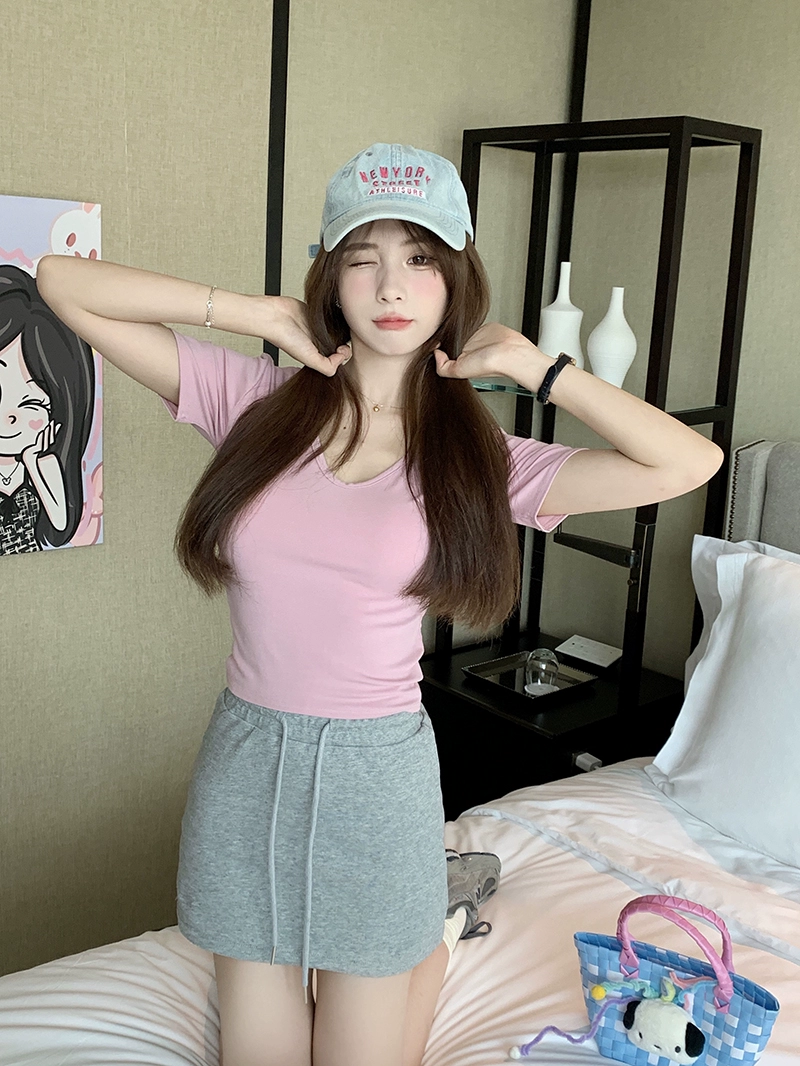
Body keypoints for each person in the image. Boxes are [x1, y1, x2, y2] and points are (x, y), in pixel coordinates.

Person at [35, 141, 723, 1066]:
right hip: (246, 764)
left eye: (421, 259)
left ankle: (436, 928)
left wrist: (536, 369)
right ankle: (436, 920)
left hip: (378, 780)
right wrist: (254, 313)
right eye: (363, 258)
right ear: (332, 278)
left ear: (454, 281)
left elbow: (689, 461)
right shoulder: (254, 402)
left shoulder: (480, 459)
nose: (392, 285)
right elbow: (59, 283)